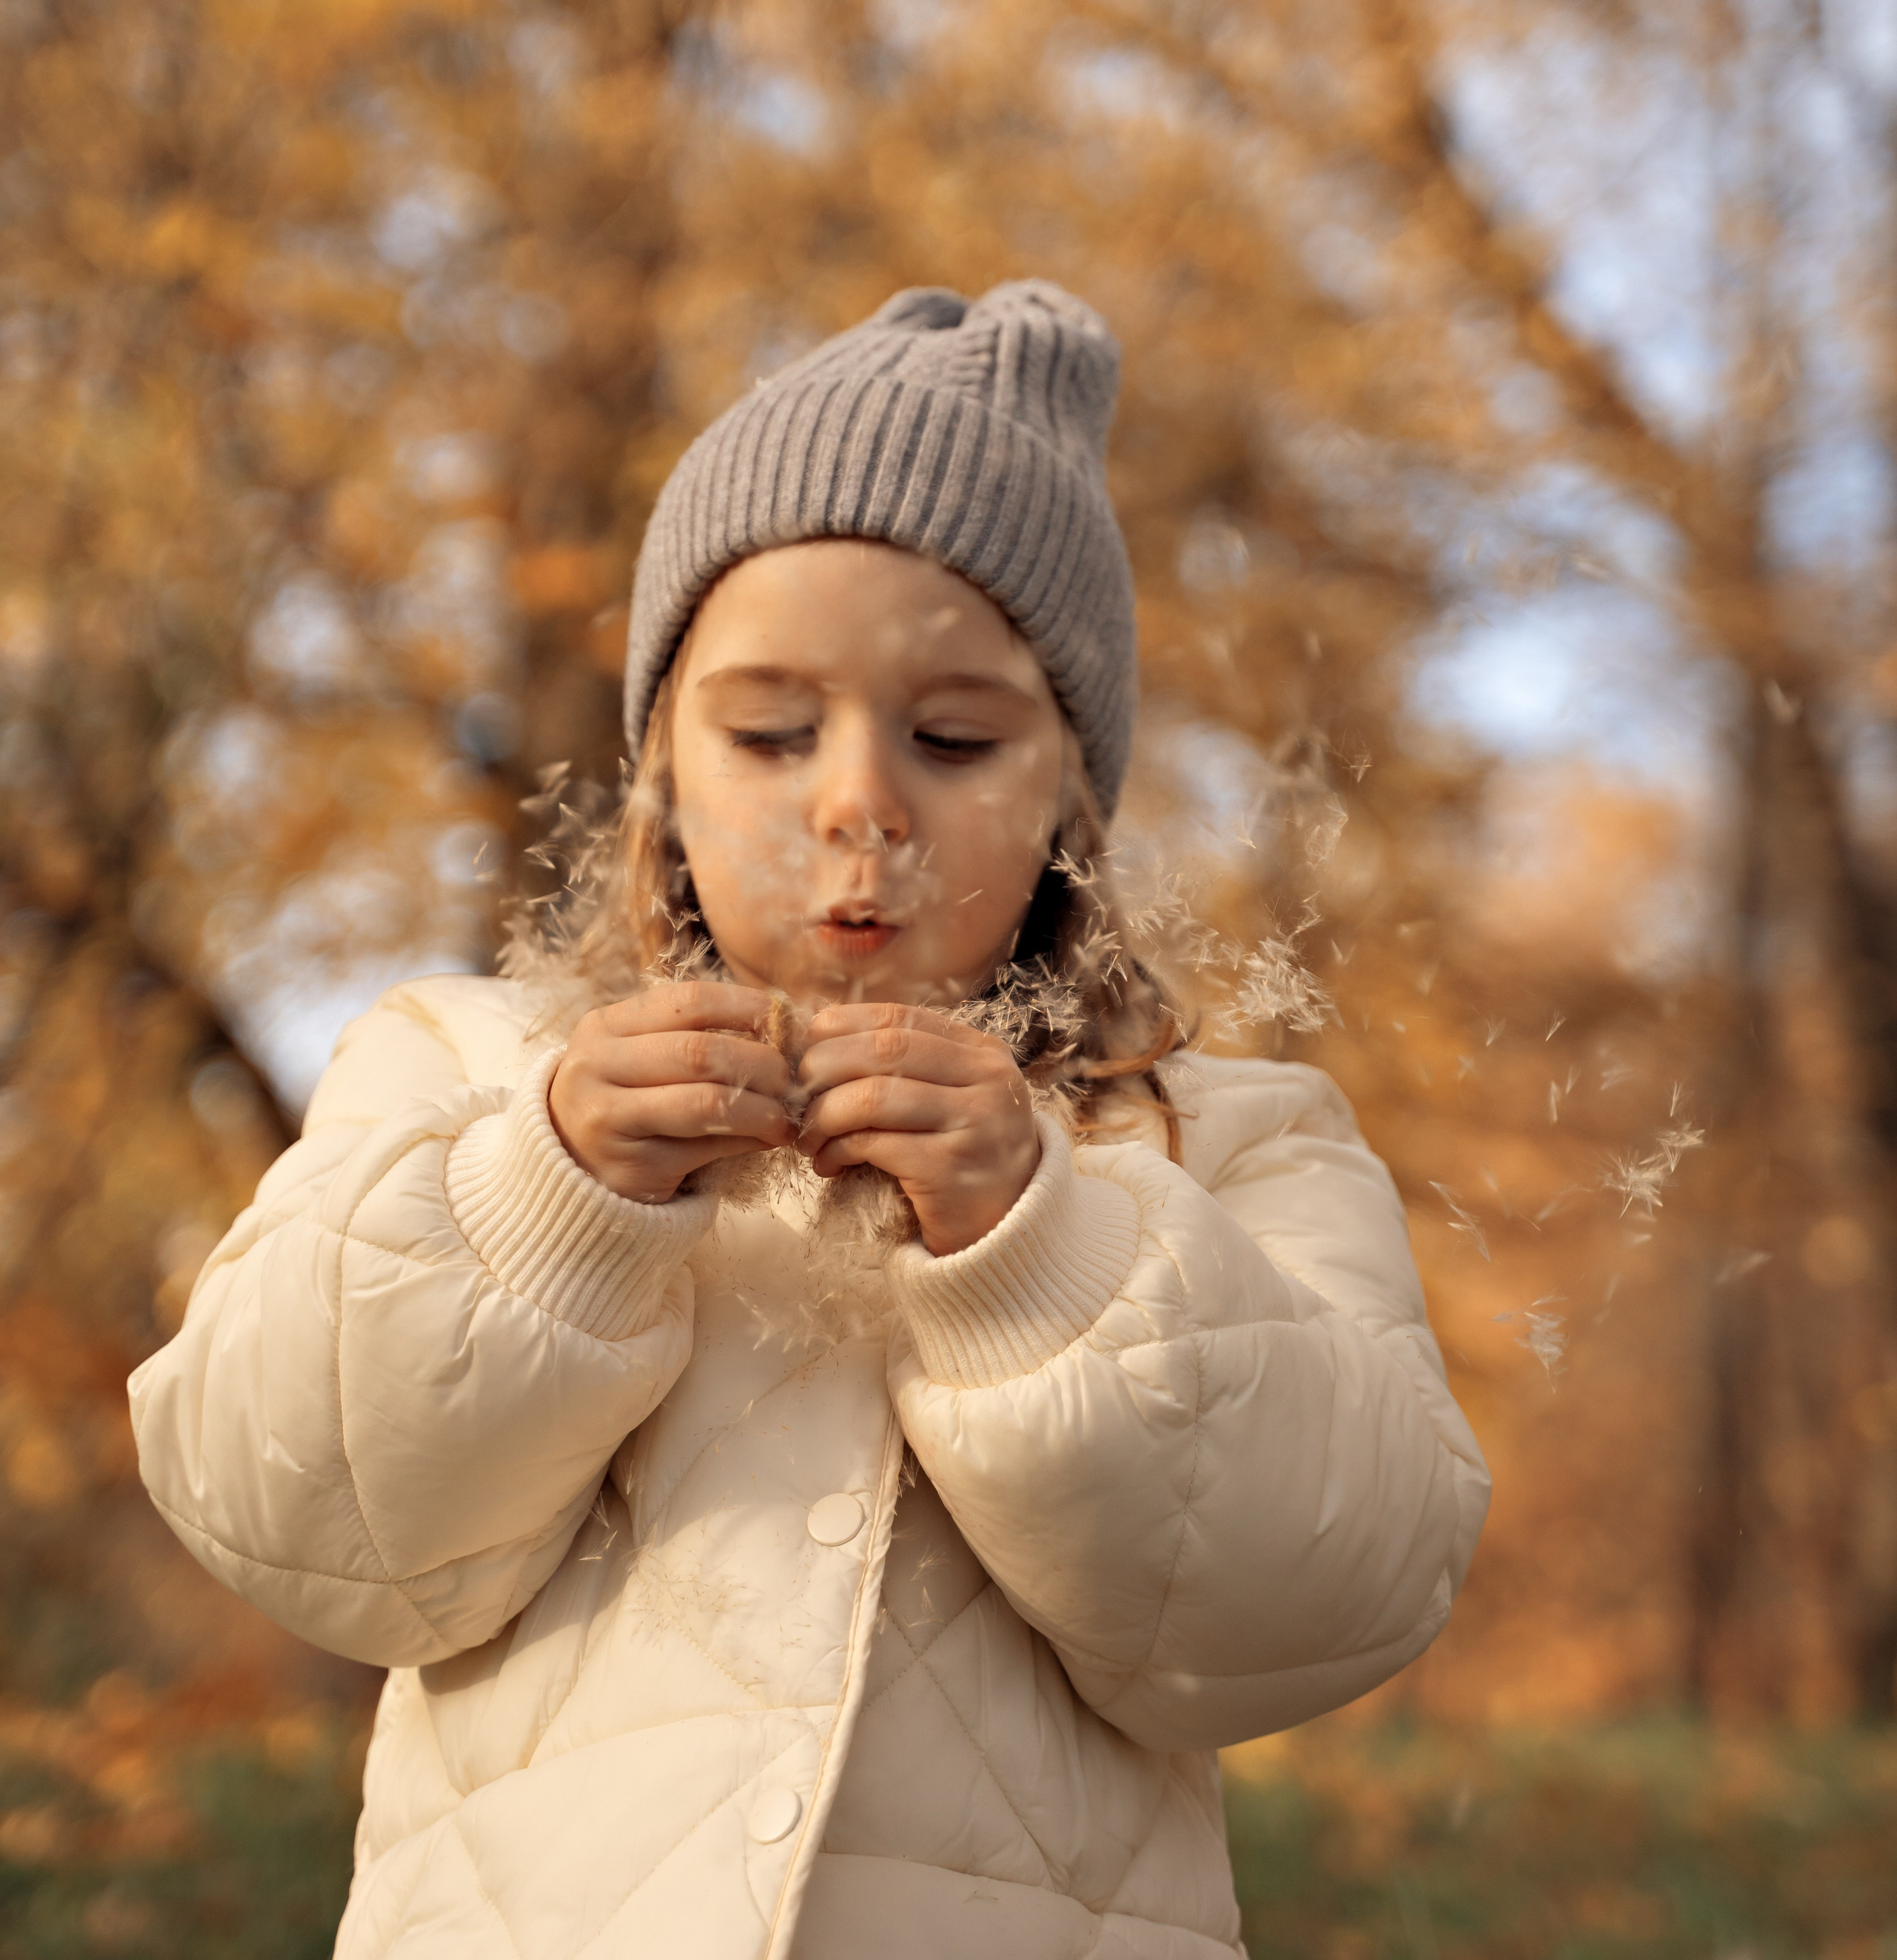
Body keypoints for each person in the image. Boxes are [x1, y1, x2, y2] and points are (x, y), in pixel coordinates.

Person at [130, 282, 1489, 1960]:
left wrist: (1041, 1252)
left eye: (953, 735)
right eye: (771, 732)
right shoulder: (462, 1071)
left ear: (1071, 794)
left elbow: (1322, 1599)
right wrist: (538, 1209)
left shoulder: (1218, 1143)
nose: (856, 799)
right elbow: (295, 1518)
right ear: (662, 781)